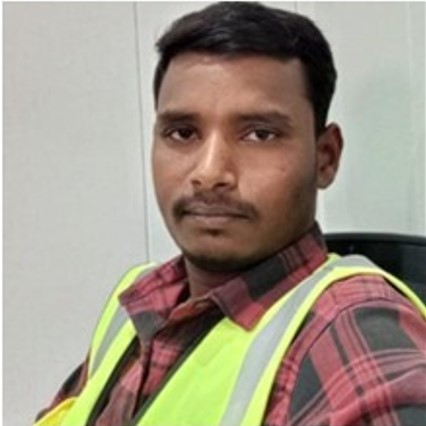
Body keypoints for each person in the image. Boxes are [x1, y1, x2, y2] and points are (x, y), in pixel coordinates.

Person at [35, 2, 426, 426]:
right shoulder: (137, 301)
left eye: (259, 134)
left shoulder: (351, 336)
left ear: (326, 157)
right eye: (182, 132)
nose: (209, 173)